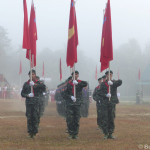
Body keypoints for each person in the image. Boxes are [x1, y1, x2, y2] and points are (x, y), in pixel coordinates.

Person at [97, 70, 122, 139]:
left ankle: (110, 133)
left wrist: (112, 83)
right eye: (108, 74)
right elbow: (99, 93)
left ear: (112, 75)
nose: (109, 75)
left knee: (111, 118)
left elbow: (120, 82)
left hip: (112, 103)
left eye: (110, 74)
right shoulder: (103, 84)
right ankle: (105, 133)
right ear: (106, 76)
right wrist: (105, 95)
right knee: (105, 118)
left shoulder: (114, 82)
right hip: (105, 103)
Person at [63, 70, 87, 139]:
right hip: (70, 104)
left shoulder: (80, 83)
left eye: (76, 74)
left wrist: (77, 84)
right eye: (74, 74)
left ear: (78, 75)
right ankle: (70, 134)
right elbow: (64, 94)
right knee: (70, 119)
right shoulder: (69, 84)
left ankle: (75, 134)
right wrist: (70, 96)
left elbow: (85, 84)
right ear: (72, 76)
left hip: (77, 104)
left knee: (76, 119)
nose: (75, 75)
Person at [21, 70, 46, 138]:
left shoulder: (39, 82)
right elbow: (22, 94)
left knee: (35, 117)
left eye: (33, 74)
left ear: (35, 75)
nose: (32, 75)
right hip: (29, 103)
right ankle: (30, 132)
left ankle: (35, 132)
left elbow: (43, 88)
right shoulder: (26, 84)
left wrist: (35, 85)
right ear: (28, 75)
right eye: (30, 74)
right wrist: (28, 95)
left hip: (36, 103)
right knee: (29, 117)